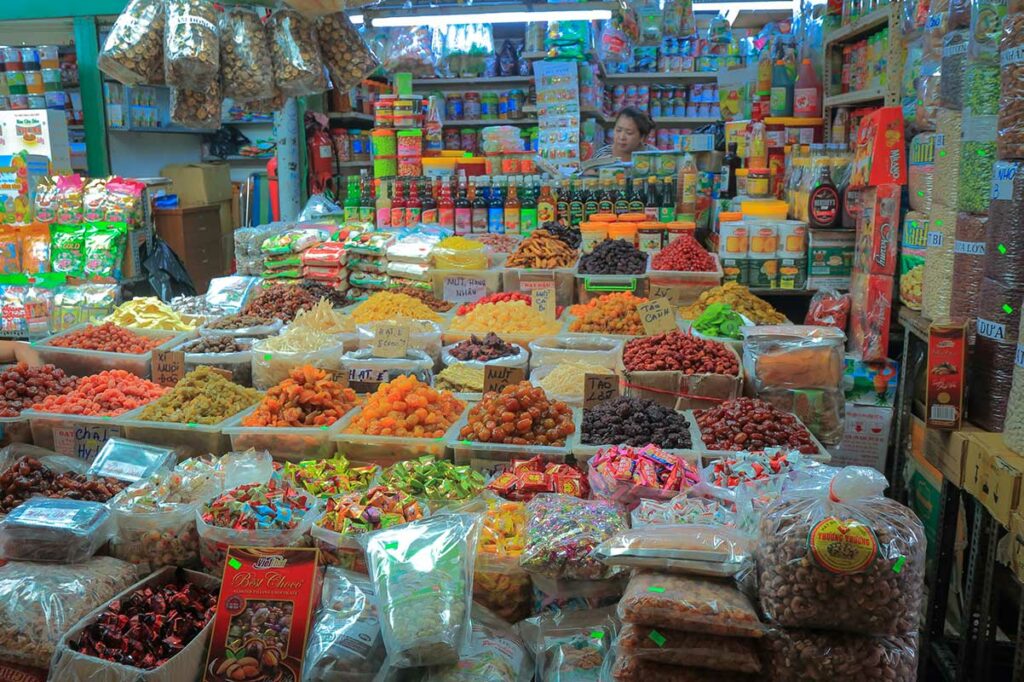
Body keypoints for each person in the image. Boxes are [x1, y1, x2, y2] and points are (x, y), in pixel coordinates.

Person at [592, 107, 657, 163]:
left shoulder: (654, 155)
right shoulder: (602, 155)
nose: (622, 137)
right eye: (618, 130)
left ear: (642, 137)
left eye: (629, 133)